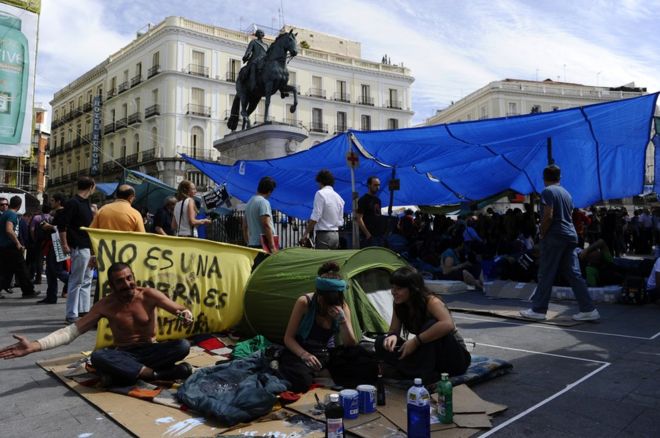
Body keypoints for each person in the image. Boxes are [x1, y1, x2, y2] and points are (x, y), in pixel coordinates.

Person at [0, 263, 194, 386]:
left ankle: (127, 375)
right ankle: (155, 374)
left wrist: (185, 314)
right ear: (112, 285)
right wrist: (34, 346)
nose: (127, 284)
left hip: (151, 350)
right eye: (120, 281)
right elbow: (73, 331)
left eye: (129, 278)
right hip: (125, 353)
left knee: (183, 345)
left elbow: (177, 308)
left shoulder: (149, 295)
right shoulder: (105, 305)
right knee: (99, 356)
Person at [520, 165, 600, 321]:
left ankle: (539, 310)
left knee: (546, 273)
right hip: (570, 235)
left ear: (544, 178)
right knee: (574, 274)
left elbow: (548, 216)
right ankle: (588, 309)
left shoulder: (547, 192)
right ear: (560, 177)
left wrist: (541, 233)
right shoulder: (567, 194)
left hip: (554, 236)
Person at [375, 267, 471, 383]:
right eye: (393, 287)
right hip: (427, 353)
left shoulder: (431, 301)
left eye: (399, 288)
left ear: (413, 289)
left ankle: (412, 372)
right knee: (380, 341)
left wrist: (416, 341)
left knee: (431, 325)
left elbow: (447, 324)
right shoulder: (399, 303)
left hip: (452, 356)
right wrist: (392, 336)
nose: (394, 292)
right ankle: (411, 370)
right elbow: (394, 329)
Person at [280, 261, 358, 392]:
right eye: (328, 303)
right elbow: (288, 338)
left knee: (361, 366)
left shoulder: (342, 306)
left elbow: (350, 344)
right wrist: (304, 355)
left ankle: (320, 373)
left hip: (325, 352)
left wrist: (343, 321)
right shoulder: (304, 302)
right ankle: (315, 374)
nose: (330, 307)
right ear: (320, 296)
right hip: (303, 350)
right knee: (301, 382)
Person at [60, 176, 96, 324]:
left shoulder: (86, 204)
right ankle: (71, 313)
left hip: (87, 246)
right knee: (76, 280)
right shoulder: (73, 203)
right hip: (79, 246)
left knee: (87, 279)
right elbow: (62, 225)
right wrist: (65, 244)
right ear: (91, 187)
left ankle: (83, 309)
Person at [0, 196, 38, 298]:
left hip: (4, 247)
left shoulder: (4, 214)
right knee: (21, 269)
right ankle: (28, 291)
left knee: (7, 271)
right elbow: (9, 229)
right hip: (11, 246)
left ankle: (28, 290)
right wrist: (17, 243)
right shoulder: (12, 215)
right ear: (19, 205)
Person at [38, 193, 69, 304]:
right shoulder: (58, 213)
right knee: (50, 271)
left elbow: (63, 228)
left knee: (57, 270)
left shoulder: (62, 213)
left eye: (52, 200)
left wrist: (49, 226)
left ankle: (71, 281)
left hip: (57, 245)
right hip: (54, 244)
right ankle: (51, 296)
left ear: (58, 201)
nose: (50, 202)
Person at [302, 169, 345, 249]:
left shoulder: (320, 194)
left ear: (320, 182)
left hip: (323, 235)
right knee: (332, 261)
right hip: (336, 235)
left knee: (323, 261)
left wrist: (305, 234)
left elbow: (315, 217)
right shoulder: (339, 198)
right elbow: (340, 221)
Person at [243, 176, 277, 253]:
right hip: (264, 245)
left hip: (252, 245)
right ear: (269, 191)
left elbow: (244, 226)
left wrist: (248, 242)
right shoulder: (263, 202)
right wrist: (272, 246)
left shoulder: (249, 202)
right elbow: (266, 224)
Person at [356, 176, 386, 248]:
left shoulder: (378, 200)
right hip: (369, 237)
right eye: (375, 185)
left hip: (379, 236)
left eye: (378, 185)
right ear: (369, 185)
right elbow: (359, 218)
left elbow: (378, 215)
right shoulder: (363, 200)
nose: (378, 187)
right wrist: (367, 234)